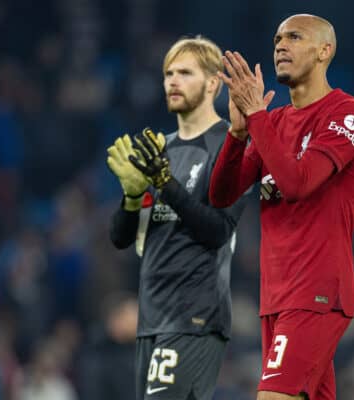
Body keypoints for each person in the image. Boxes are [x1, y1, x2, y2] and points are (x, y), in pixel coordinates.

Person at [209, 14, 354, 400]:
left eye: (295, 37)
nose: (281, 45)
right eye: (277, 38)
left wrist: (256, 118)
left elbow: (297, 183)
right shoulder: (277, 122)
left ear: (324, 51)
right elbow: (222, 194)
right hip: (278, 296)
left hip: (316, 292)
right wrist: (237, 135)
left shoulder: (348, 114)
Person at [106, 36, 248, 400]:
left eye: (185, 73)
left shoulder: (230, 146)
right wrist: (133, 195)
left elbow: (217, 230)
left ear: (213, 83)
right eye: (168, 73)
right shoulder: (159, 147)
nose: (172, 81)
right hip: (151, 317)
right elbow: (121, 238)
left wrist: (164, 182)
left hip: (195, 317)